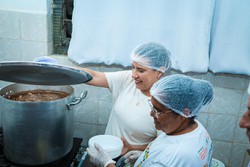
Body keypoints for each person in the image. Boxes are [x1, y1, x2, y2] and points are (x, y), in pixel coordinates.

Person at [34, 42, 171, 154]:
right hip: (106, 153)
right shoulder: (128, 80)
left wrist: (133, 148)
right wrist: (59, 69)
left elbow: (163, 145)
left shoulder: (165, 105)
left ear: (159, 73)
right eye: (133, 67)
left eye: (140, 70)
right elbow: (94, 76)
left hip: (132, 159)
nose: (134, 74)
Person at [87, 74, 214, 167]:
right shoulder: (196, 128)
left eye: (159, 110)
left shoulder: (174, 155)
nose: (151, 113)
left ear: (183, 114)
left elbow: (167, 158)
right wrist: (143, 157)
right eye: (152, 106)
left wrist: (107, 164)